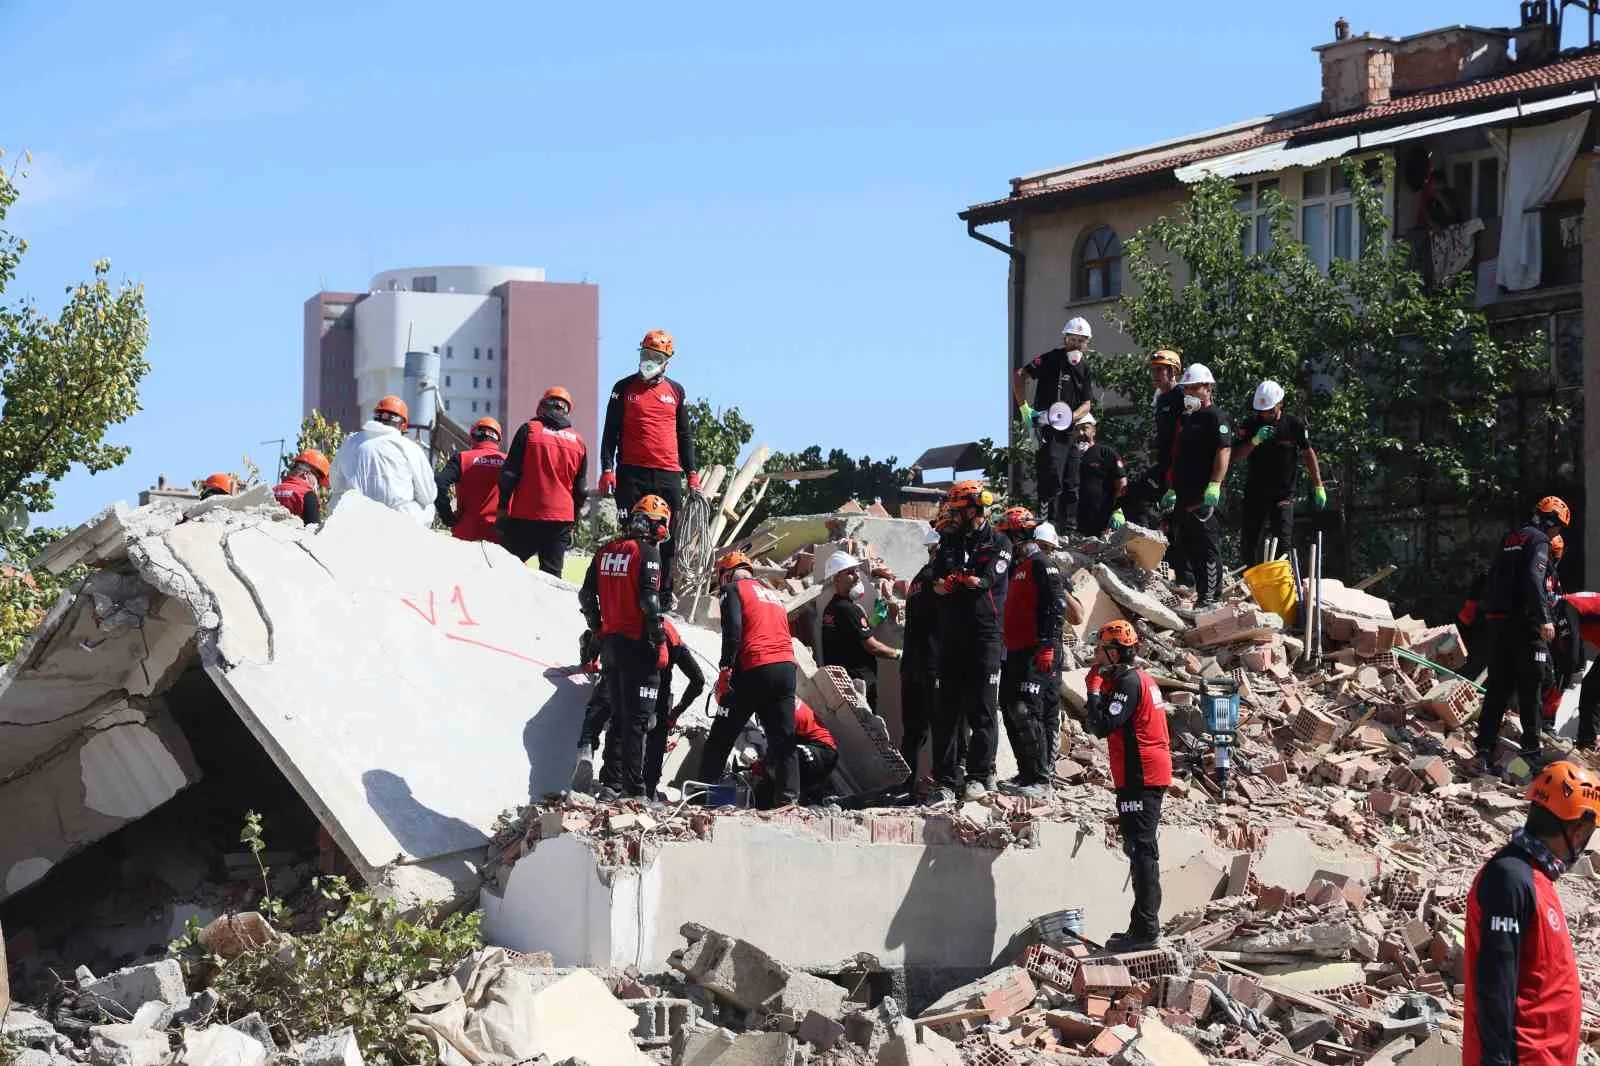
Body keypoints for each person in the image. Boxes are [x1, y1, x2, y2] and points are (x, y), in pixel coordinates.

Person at [1462, 759, 1597, 1066]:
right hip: (1523, 1057)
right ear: (1577, 831)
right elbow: (1495, 983)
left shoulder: (1533, 877)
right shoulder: (1510, 879)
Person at [1084, 619, 1171, 951]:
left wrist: (1093, 690)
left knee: (1141, 850)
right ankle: (1141, 926)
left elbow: (1102, 724)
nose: (1095, 654)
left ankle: (1147, 931)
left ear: (1114, 652)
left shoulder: (1128, 682)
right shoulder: (1134, 678)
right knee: (1139, 849)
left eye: (1100, 648)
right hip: (1140, 772)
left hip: (1141, 773)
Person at [578, 494, 672, 800]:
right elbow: (649, 601)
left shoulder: (605, 551)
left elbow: (585, 596)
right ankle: (635, 792)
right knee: (638, 722)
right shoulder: (647, 552)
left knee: (617, 718)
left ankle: (611, 785)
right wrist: (658, 640)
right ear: (655, 524)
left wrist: (598, 628)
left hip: (612, 647)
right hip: (638, 646)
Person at [1473, 496, 1572, 776]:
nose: (1557, 534)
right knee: (1532, 686)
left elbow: (1492, 576)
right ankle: (1530, 753)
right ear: (1551, 521)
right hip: (1524, 623)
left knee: (1498, 687)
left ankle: (1484, 749)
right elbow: (1533, 577)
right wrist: (1544, 619)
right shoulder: (1538, 540)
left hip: (1497, 622)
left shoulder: (1509, 538)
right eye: (1559, 527)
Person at [598, 330, 700, 597]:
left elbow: (685, 434)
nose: (648, 360)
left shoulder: (676, 391)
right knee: (631, 531)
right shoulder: (622, 388)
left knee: (667, 535)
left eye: (655, 356)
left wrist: (692, 473)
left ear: (667, 360)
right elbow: (610, 432)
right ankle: (629, 589)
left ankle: (664, 594)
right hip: (631, 473)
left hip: (667, 473)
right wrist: (607, 469)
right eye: (645, 354)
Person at [929, 480, 1011, 805]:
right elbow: (935, 577)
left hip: (984, 636)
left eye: (960, 510)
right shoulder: (949, 541)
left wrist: (973, 580)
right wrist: (942, 585)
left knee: (982, 709)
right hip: (952, 636)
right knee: (946, 711)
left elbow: (990, 578)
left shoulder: (999, 541)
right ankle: (946, 781)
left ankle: (979, 775)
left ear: (977, 509)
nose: (955, 516)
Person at [699, 551, 799, 808]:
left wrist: (725, 668)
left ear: (726, 574)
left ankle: (703, 799)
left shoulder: (732, 589)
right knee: (784, 740)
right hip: (786, 669)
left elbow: (732, 630)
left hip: (755, 666)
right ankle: (788, 802)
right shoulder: (772, 596)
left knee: (721, 737)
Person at [995, 507, 1068, 799]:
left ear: (1019, 534)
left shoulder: (1041, 564)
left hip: (1036, 651)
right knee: (1011, 709)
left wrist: (1048, 645)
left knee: (1028, 711)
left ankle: (1040, 778)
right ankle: (1026, 772)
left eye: (1008, 536)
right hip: (1014, 651)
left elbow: (1057, 607)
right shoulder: (1016, 567)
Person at [1230, 380, 1326, 567]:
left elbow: (1308, 453)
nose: (1265, 415)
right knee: (1249, 542)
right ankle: (1249, 586)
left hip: (1283, 494)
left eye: (1270, 411)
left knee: (1284, 542)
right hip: (1255, 492)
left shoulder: (1293, 424)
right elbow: (1234, 456)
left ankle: (1285, 584)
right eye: (1262, 411)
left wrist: (1318, 485)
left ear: (1280, 403)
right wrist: (1254, 441)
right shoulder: (1251, 424)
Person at [1014, 317, 1094, 531]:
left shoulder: (1084, 367)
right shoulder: (1051, 359)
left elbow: (1087, 404)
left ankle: (1069, 530)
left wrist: (1071, 416)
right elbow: (1020, 375)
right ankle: (1045, 526)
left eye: (1081, 341)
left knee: (1072, 482)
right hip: (1047, 429)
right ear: (1065, 339)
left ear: (1087, 343)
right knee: (1051, 478)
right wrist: (1024, 409)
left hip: (1070, 431)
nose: (1076, 345)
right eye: (1072, 339)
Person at [498, 388, 589, 575]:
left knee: (505, 570)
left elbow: (509, 475)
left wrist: (502, 507)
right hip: (561, 520)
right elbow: (581, 490)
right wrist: (573, 521)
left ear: (541, 407)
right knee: (552, 579)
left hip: (526, 515)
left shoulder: (529, 430)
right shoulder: (578, 442)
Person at [1162, 363, 1231, 605]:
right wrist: (1171, 486)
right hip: (1184, 496)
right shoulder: (1186, 419)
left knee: (1207, 549)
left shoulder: (1215, 417)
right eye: (1187, 389)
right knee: (1189, 547)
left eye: (1195, 388)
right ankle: (1200, 596)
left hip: (1204, 498)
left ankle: (1211, 598)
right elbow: (1177, 454)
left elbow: (1224, 450)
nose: (1190, 393)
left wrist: (1215, 484)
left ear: (1208, 388)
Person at [330, 395, 434, 524]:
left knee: (336, 498)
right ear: (403, 426)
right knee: (429, 506)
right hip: (397, 520)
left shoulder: (350, 441)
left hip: (356, 516)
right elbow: (427, 495)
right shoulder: (409, 448)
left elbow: (335, 484)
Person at [819, 551, 902, 709]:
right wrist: (899, 654)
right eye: (850, 573)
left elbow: (852, 633)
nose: (857, 576)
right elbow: (872, 647)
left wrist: (874, 619)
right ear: (836, 578)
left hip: (842, 684)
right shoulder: (848, 610)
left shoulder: (831, 608)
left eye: (856, 571)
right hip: (857, 684)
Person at [898, 520, 945, 795]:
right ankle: (941, 783)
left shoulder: (918, 578)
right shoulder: (938, 578)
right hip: (932, 665)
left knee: (913, 733)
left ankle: (906, 785)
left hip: (912, 666)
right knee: (942, 728)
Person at [643, 617, 706, 799]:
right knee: (654, 742)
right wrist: (676, 712)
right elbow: (698, 679)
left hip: (630, 695)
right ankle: (649, 791)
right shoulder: (670, 631)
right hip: (659, 700)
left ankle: (615, 786)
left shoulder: (629, 619)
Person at [1124, 350, 1186, 527]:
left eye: (1160, 370)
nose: (1155, 375)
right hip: (1163, 465)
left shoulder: (1182, 397)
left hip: (1178, 468)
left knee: (1177, 518)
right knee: (1133, 494)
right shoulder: (1162, 399)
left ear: (1173, 371)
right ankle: (1147, 539)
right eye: (1153, 370)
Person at [753, 698, 839, 807]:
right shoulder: (781, 700)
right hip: (810, 751)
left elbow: (779, 746)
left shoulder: (783, 708)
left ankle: (822, 794)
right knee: (767, 784)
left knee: (782, 759)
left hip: (823, 751)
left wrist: (762, 766)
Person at [435, 417, 505, 545]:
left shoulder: (462, 459)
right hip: (500, 537)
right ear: (498, 439)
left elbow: (439, 482)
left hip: (466, 535)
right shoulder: (509, 462)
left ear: (473, 436)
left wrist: (448, 518)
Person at [1074, 414, 1128, 538]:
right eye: (1077, 430)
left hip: (1101, 520)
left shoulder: (1106, 453)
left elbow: (1122, 484)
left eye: (1084, 428)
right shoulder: (1070, 456)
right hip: (1075, 522)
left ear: (1094, 430)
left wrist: (1114, 510)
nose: (1080, 433)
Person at [1561, 588, 1600, 751]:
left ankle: (1590, 740)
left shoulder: (1562, 607)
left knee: (1591, 688)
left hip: (1572, 609)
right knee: (1591, 688)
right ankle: (1589, 739)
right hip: (1576, 610)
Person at [272, 450, 329, 525]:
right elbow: (313, 530)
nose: (317, 485)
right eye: (317, 480)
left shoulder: (272, 491)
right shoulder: (307, 495)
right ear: (307, 474)